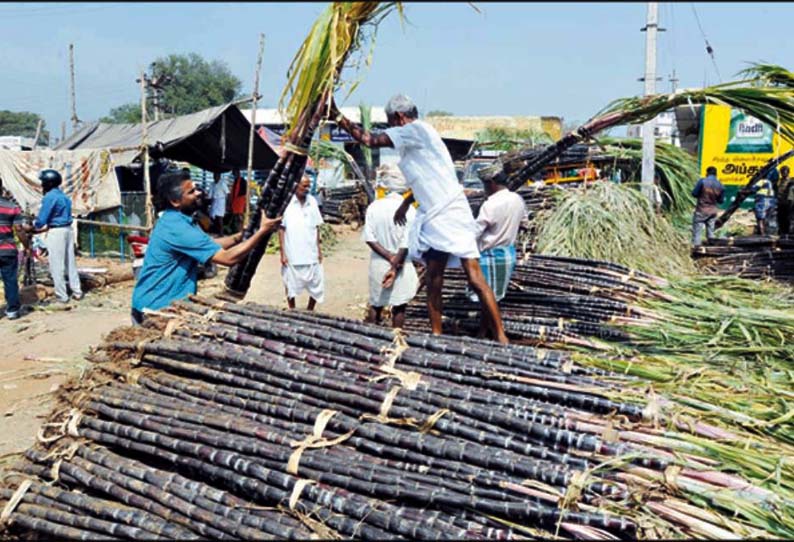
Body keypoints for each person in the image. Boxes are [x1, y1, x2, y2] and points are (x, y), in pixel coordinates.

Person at [332, 94, 509, 344]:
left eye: (390, 122)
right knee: (434, 278)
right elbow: (427, 178)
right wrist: (406, 203)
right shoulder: (422, 135)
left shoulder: (413, 130)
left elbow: (368, 140)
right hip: (436, 214)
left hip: (449, 212)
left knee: (475, 277)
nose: (390, 129)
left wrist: (337, 116)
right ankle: (436, 335)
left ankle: (501, 336)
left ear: (400, 118)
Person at [130, 169, 280, 325]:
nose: (198, 193)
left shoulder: (178, 219)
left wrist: (238, 237)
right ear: (175, 201)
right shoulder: (177, 228)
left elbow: (208, 246)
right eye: (191, 192)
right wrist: (262, 231)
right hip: (155, 310)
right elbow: (227, 259)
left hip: (158, 304)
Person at [363, 165, 419, 329]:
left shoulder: (374, 207)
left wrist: (388, 256)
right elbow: (406, 241)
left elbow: (369, 238)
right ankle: (396, 339)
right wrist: (395, 261)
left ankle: (371, 337)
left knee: (376, 303)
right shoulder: (409, 210)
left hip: (379, 262)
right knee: (399, 305)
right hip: (402, 263)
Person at [470, 172, 528, 304]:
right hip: (509, 254)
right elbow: (525, 223)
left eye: (485, 185)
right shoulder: (517, 199)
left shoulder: (490, 205)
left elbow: (475, 232)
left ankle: (491, 324)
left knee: (485, 297)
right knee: (497, 296)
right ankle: (491, 323)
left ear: (491, 183)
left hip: (489, 256)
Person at [32, 169, 83, 303]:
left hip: (57, 232)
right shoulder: (63, 196)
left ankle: (62, 295)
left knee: (56, 265)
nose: (42, 184)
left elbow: (42, 219)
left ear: (48, 183)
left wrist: (34, 227)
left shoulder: (49, 197)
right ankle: (77, 291)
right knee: (70, 263)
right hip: (68, 230)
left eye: (43, 182)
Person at [279, 175, 324, 311]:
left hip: (311, 251)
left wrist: (319, 249)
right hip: (293, 251)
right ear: (295, 186)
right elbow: (281, 229)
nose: (307, 189)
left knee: (317, 282)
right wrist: (283, 253)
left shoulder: (312, 202)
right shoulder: (286, 204)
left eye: (308, 186)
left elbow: (316, 227)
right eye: (304, 186)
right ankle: (292, 309)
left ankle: (310, 310)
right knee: (290, 282)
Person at [0, 176, 30, 319]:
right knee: (10, 280)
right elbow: (19, 229)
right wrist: (27, 246)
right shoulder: (12, 207)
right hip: (7, 250)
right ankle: (12, 311)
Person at [691, 166, 725, 247]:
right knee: (710, 232)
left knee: (697, 232)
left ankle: (696, 250)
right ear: (716, 174)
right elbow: (721, 201)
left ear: (707, 173)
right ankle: (711, 250)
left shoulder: (702, 181)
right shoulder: (720, 185)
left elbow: (694, 193)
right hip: (713, 211)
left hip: (701, 210)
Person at [229, 167, 247, 233]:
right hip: (236, 201)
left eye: (235, 173)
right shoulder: (235, 180)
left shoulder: (242, 180)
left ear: (238, 173)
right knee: (236, 216)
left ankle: (241, 229)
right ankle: (238, 230)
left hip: (240, 200)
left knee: (240, 216)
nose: (234, 174)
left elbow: (244, 192)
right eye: (234, 173)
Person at [776, 166, 793, 235]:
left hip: (789, 203)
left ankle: (787, 232)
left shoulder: (791, 181)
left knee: (787, 218)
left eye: (785, 172)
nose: (783, 174)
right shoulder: (779, 181)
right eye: (782, 172)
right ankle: (781, 232)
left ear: (788, 172)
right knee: (780, 218)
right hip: (780, 202)